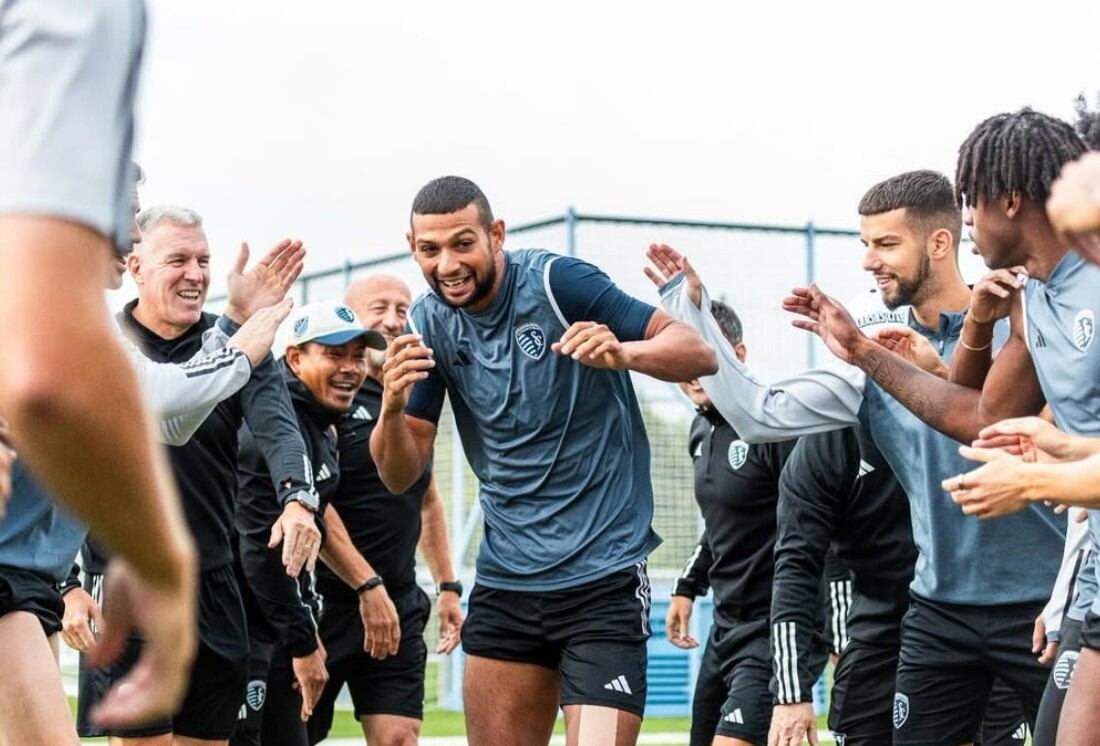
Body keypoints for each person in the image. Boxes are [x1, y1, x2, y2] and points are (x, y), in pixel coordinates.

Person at [649, 167, 1065, 744]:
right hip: (938, 610)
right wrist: (693, 314)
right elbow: (758, 414)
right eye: (865, 244)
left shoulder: (1025, 326)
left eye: (886, 244)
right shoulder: (875, 355)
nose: (869, 261)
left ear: (939, 243)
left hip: (1041, 609)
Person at [370, 175, 716, 746]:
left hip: (602, 580)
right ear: (412, 247)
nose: (447, 264)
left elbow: (696, 352)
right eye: (430, 249)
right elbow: (399, 474)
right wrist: (390, 407)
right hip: (506, 583)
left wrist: (623, 352)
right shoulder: (427, 323)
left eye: (463, 243)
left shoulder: (558, 283)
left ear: (496, 235)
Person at [5, 172, 302, 746]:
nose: (134, 234)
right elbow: (163, 396)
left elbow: (168, 421)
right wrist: (243, 343)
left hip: (31, 581)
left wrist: (231, 333)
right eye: (124, 214)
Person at [0, 0, 197, 729]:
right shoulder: (73, 15)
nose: (131, 234)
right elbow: (52, 382)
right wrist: (163, 564)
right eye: (124, 210)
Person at [75, 205, 321, 746]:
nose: (195, 274)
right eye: (178, 260)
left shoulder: (236, 345)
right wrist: (69, 584)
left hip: (213, 585)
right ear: (136, 266)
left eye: (204, 260)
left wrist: (298, 499)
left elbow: (280, 428)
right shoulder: (103, 342)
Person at [307, 275, 464, 746]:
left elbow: (427, 499)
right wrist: (365, 586)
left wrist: (448, 586)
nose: (394, 321)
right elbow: (316, 502)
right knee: (294, 733)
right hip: (325, 605)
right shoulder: (329, 396)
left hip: (397, 601)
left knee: (400, 737)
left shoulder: (417, 401)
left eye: (403, 309)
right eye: (380, 308)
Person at [232, 300, 389, 746]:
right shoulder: (275, 429)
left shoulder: (321, 425)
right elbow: (262, 552)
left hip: (276, 630)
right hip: (246, 634)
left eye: (358, 356)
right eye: (334, 355)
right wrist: (301, 641)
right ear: (295, 358)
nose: (350, 369)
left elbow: (310, 532)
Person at [664, 300, 807, 746]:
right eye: (682, 357)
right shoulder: (700, 431)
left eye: (703, 356)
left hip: (770, 632)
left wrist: (829, 631)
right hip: (724, 630)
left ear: (738, 355)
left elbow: (815, 529)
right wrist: (687, 587)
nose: (692, 372)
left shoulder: (773, 426)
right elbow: (721, 524)